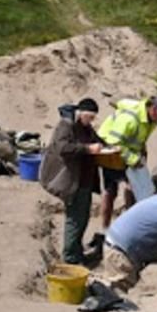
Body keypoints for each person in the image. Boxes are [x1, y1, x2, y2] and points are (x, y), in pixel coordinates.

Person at [96, 95, 157, 232]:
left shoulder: (151, 119)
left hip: (129, 153)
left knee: (134, 190)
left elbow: (139, 138)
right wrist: (133, 159)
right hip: (110, 154)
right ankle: (105, 229)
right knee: (111, 191)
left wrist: (142, 154)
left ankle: (130, 224)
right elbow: (112, 142)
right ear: (155, 110)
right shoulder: (130, 119)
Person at [39, 98, 104, 265]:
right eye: (89, 117)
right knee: (74, 220)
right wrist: (87, 149)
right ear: (80, 113)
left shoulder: (85, 127)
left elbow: (97, 140)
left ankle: (76, 251)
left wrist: (108, 146)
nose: (91, 121)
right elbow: (62, 148)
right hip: (72, 180)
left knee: (82, 218)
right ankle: (70, 257)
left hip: (85, 180)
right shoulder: (66, 125)